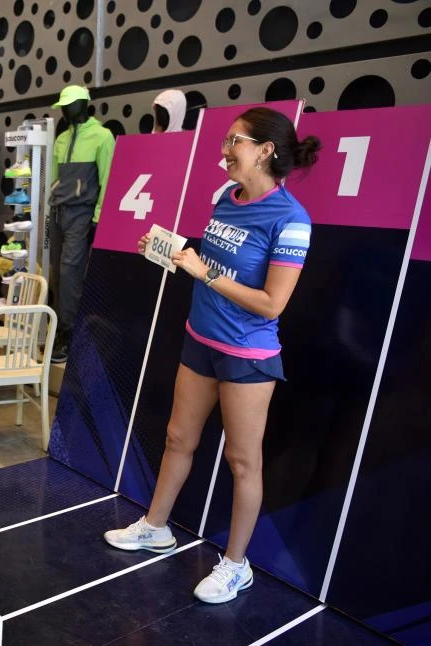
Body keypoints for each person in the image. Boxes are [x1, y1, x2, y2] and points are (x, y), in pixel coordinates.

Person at [103, 107, 320, 604]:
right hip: (199, 338)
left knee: (244, 461)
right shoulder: (225, 196)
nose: (224, 152)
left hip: (248, 355)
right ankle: (156, 528)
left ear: (265, 150)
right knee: (179, 437)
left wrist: (204, 274)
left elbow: (272, 302)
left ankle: (236, 565)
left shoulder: (292, 221)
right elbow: (213, 260)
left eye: (233, 142)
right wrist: (172, 254)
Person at [48, 85, 115, 363]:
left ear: (83, 103)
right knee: (58, 273)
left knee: (71, 272)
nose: (65, 110)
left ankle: (69, 333)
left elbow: (108, 179)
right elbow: (54, 177)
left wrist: (98, 217)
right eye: (62, 105)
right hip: (58, 213)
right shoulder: (61, 139)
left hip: (81, 213)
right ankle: (63, 329)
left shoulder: (102, 137)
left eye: (69, 104)